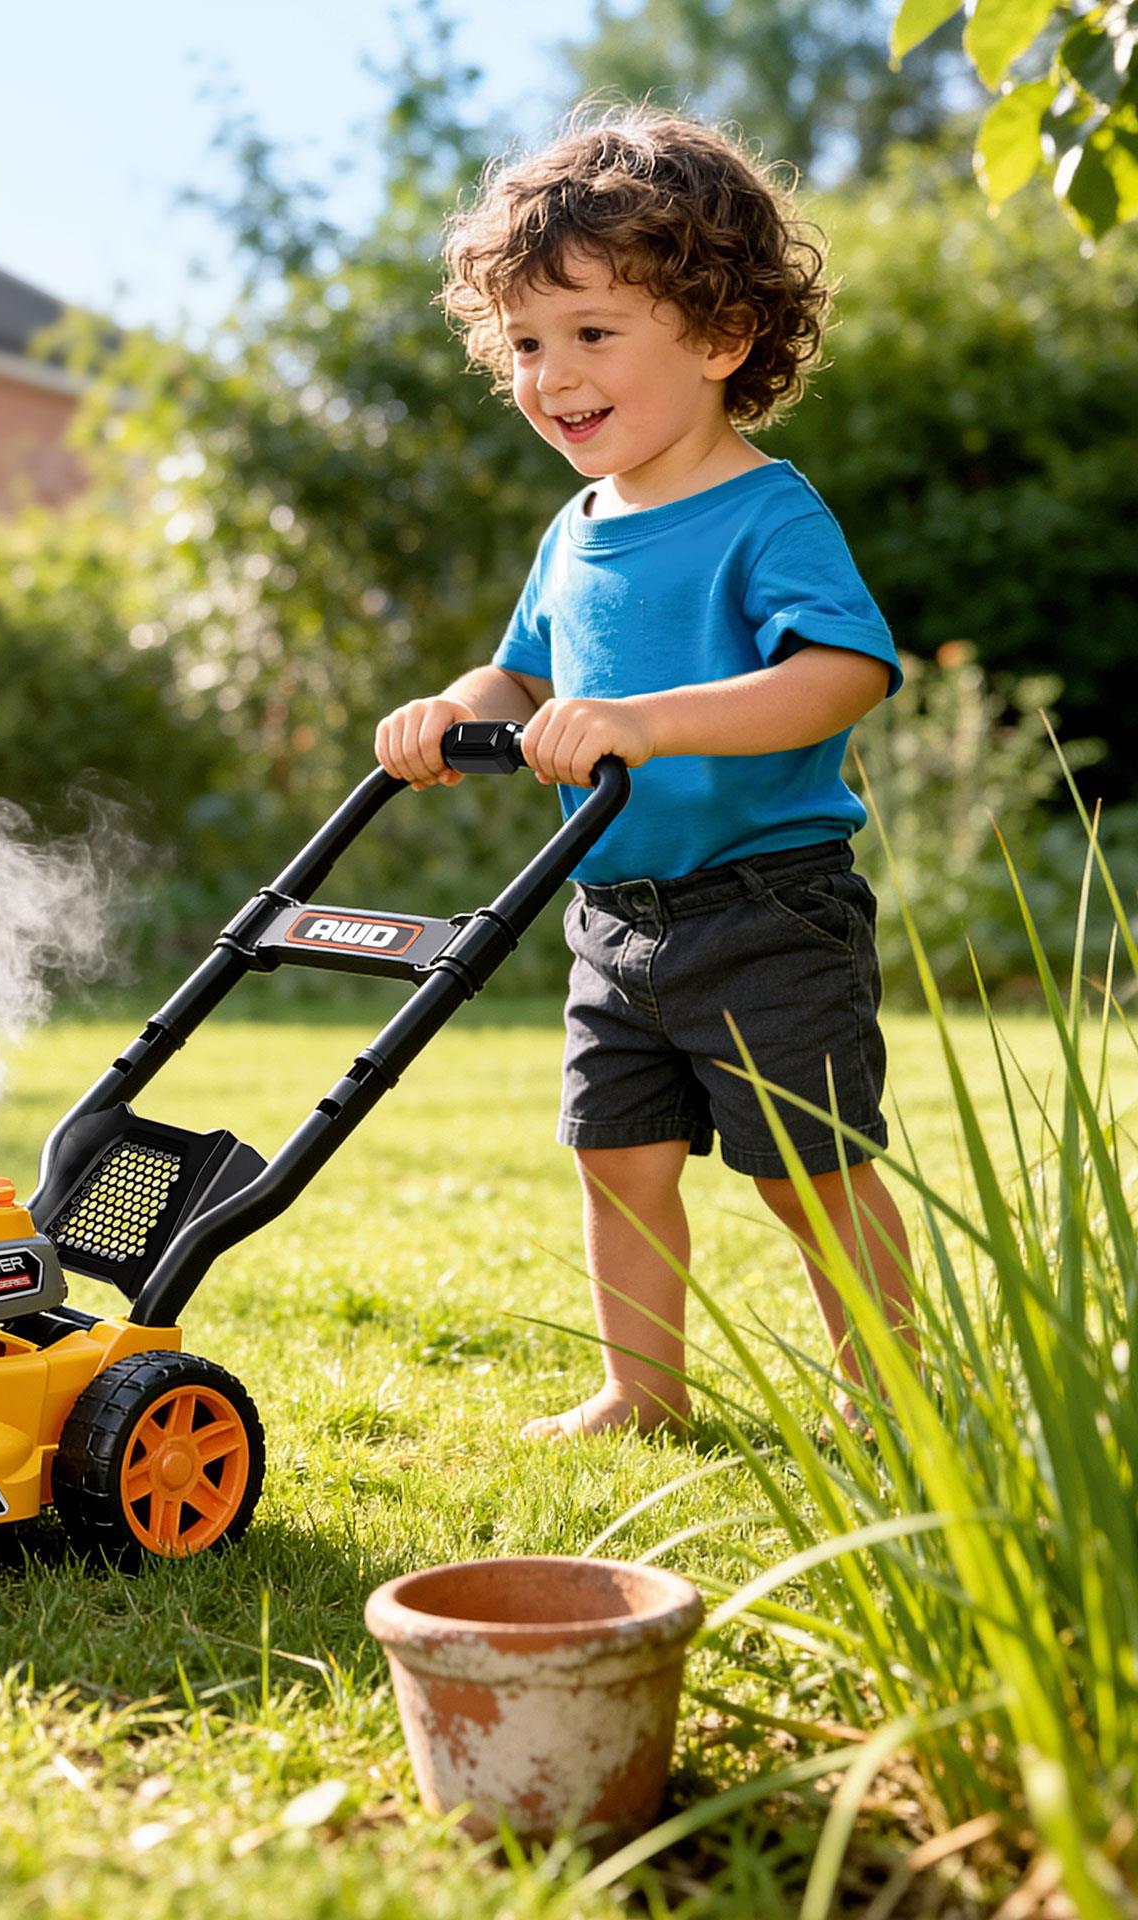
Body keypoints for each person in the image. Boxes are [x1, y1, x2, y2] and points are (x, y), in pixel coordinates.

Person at [375, 107, 916, 1441]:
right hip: (613, 912)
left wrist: (651, 722)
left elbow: (844, 672)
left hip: (767, 907)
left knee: (810, 1173)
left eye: (592, 335)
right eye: (526, 345)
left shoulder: (766, 512)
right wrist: (456, 709)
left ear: (722, 339)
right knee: (615, 1159)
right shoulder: (574, 530)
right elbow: (521, 674)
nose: (552, 376)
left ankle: (897, 1394)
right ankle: (639, 1388)